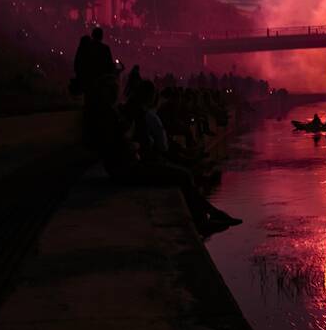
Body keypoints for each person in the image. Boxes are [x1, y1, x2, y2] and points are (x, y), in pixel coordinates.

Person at [84, 76, 240, 234]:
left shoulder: (119, 111)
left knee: (183, 173)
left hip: (126, 165)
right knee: (183, 176)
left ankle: (210, 213)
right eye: (112, 88)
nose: (116, 91)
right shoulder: (126, 113)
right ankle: (202, 221)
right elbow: (126, 144)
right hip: (128, 169)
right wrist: (135, 145)